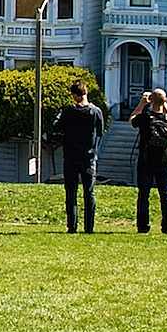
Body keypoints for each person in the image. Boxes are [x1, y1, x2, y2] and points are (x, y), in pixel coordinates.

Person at [54, 82, 105, 234]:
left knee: (71, 191)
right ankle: (89, 227)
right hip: (89, 157)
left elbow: (57, 126)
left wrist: (59, 115)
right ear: (86, 92)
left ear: (75, 95)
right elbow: (101, 131)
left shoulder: (69, 111)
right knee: (89, 192)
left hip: (70, 156)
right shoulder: (96, 111)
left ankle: (72, 225)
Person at [130, 88, 167, 235]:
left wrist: (142, 103)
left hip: (146, 160)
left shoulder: (145, 117)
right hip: (165, 161)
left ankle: (143, 226)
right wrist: (165, 105)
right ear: (165, 101)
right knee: (165, 194)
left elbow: (132, 119)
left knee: (144, 194)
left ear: (151, 100)